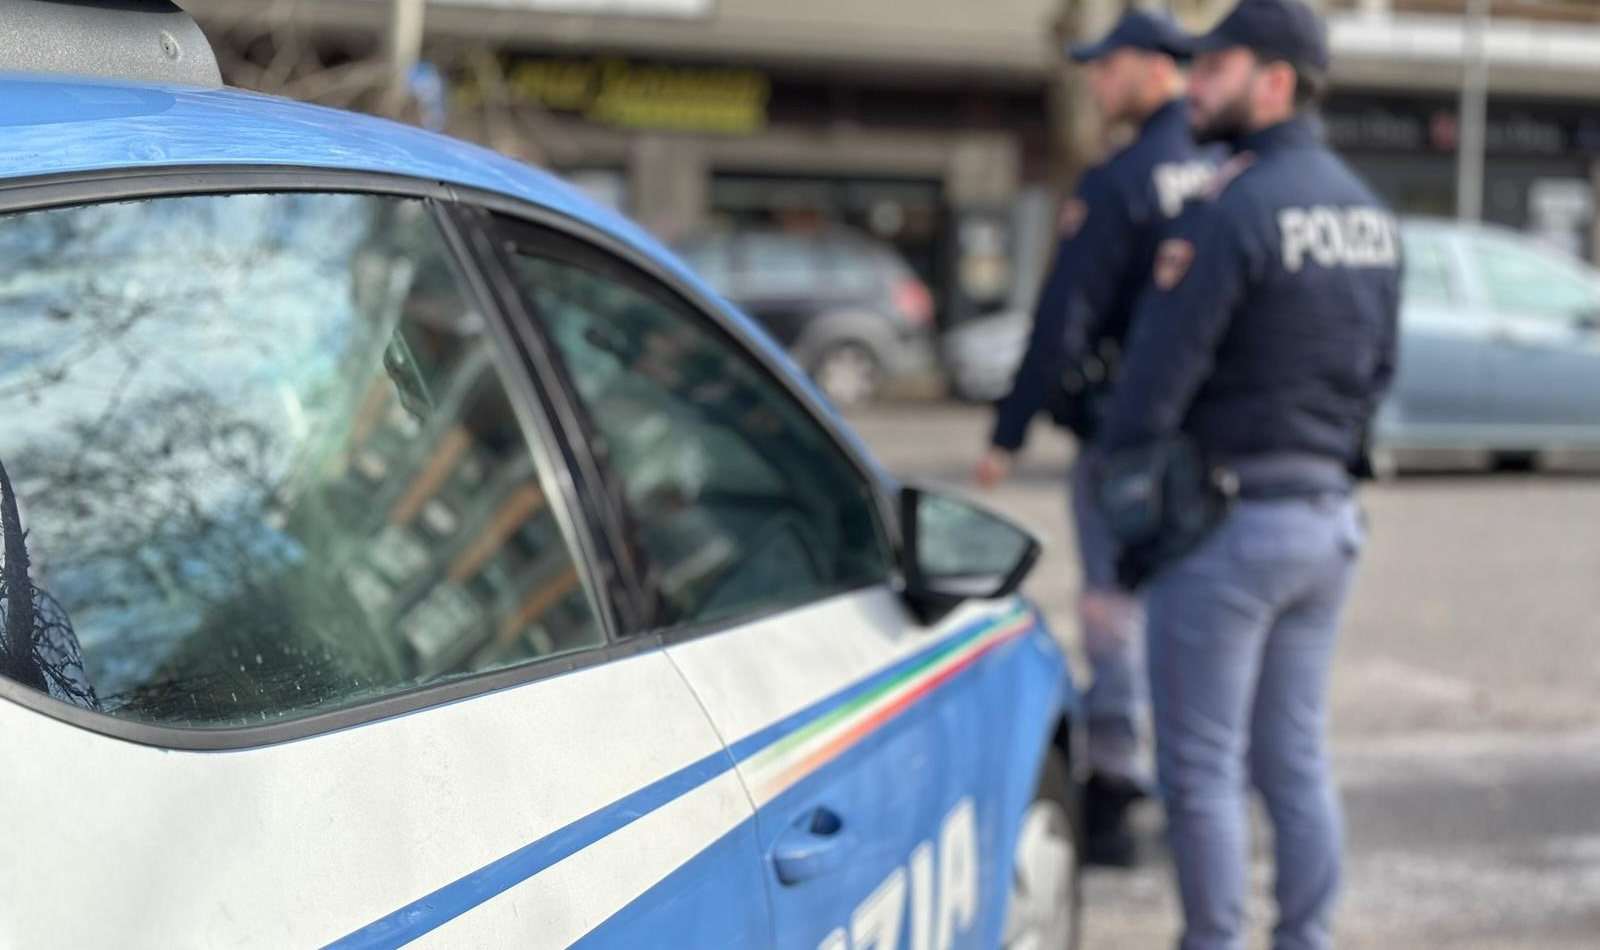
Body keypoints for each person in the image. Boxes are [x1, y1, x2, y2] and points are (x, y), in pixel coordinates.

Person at [1094, 1, 1401, 947]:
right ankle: (1306, 938)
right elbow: (1377, 376)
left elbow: (1152, 389)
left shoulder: (1231, 208)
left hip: (1227, 530)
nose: (1195, 84)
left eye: (1216, 67)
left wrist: (1123, 509)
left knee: (1201, 769)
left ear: (1275, 82)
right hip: (1325, 521)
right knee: (1294, 760)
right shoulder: (1370, 212)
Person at [973, 8, 1219, 867]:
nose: (1094, 82)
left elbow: (1064, 316)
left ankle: (1115, 793)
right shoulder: (1227, 165)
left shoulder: (1124, 177)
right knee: (1198, 619)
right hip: (1216, 445)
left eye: (1107, 68)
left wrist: (1008, 430)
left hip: (1127, 443)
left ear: (1155, 67)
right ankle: (1201, 795)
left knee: (1114, 612)